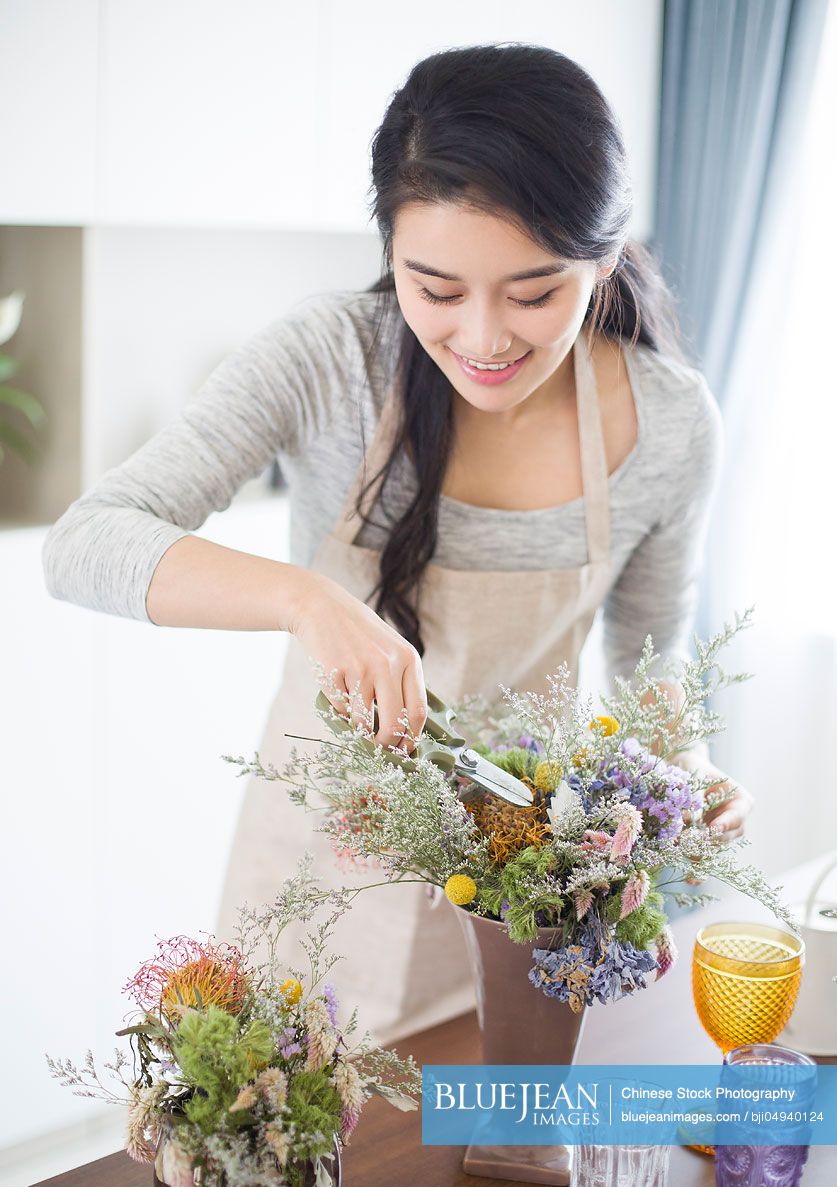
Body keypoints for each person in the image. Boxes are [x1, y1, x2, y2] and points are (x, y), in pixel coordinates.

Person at [42, 43, 753, 1043]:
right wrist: (308, 600)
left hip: (516, 909)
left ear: (602, 259)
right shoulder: (329, 360)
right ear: (391, 255)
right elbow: (84, 542)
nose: (483, 336)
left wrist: (690, 768)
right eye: (435, 288)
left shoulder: (670, 423)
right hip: (309, 888)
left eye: (535, 292)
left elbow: (650, 662)